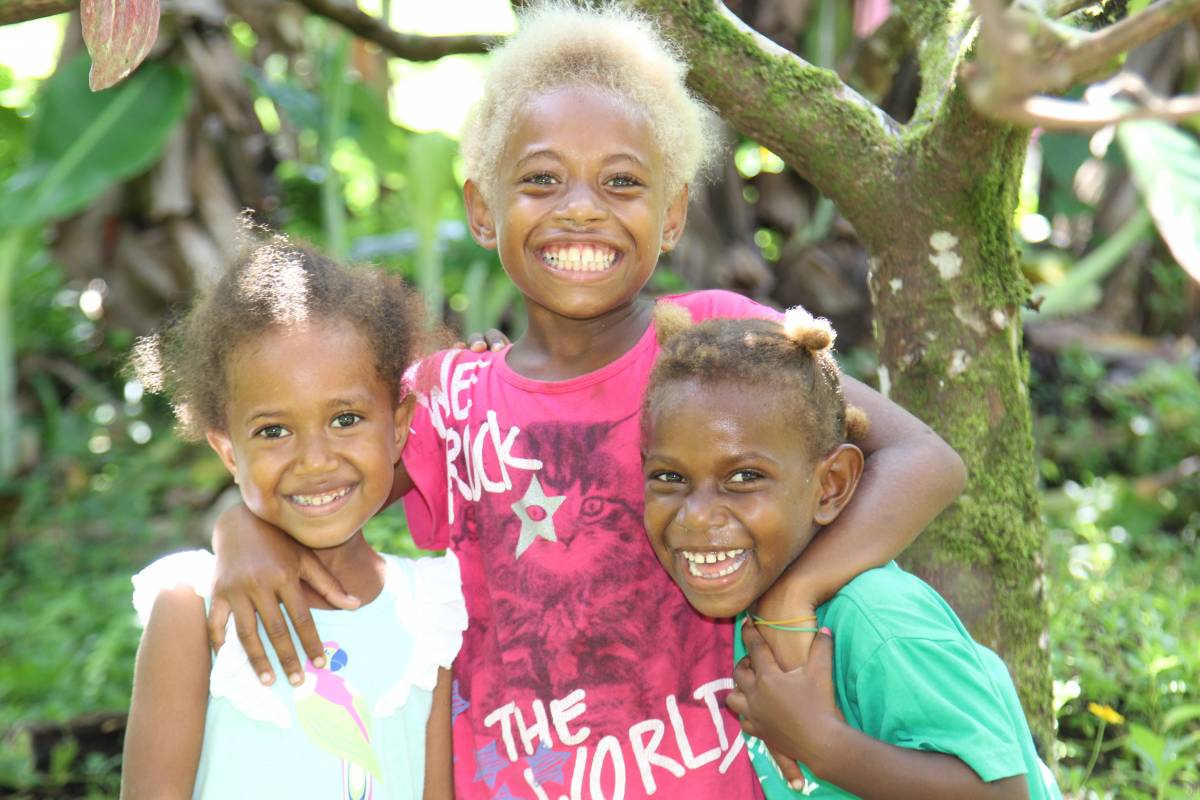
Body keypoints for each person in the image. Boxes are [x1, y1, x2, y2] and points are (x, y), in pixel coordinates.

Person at [208, 3, 968, 797]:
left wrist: (795, 593)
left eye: (621, 182)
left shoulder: (716, 346)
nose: (580, 207)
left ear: (672, 214)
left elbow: (925, 461)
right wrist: (244, 530)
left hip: (713, 779)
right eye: (541, 179)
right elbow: (318, 478)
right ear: (480, 207)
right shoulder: (447, 400)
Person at [641, 304, 1061, 799]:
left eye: (744, 478)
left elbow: (1003, 792)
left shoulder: (878, 619)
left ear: (831, 485)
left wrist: (822, 744)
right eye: (669, 478)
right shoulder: (755, 600)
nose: (696, 516)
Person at [120, 236, 467, 799]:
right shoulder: (193, 610)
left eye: (347, 418)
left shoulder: (431, 611)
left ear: (399, 425)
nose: (315, 460)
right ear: (229, 451)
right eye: (273, 431)